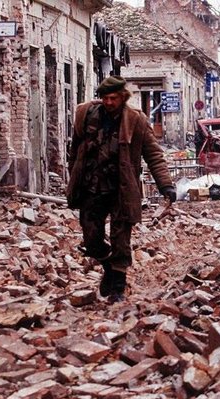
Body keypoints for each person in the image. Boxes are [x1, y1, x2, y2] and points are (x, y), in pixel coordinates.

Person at [66, 75, 177, 302]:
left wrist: (166, 185)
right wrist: (73, 176)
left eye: (113, 98)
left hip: (121, 189)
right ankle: (107, 264)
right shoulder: (86, 115)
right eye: (105, 98)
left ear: (123, 97)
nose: (108, 102)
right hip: (91, 186)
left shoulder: (135, 120)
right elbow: (74, 148)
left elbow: (154, 155)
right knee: (91, 239)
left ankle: (117, 287)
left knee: (121, 239)